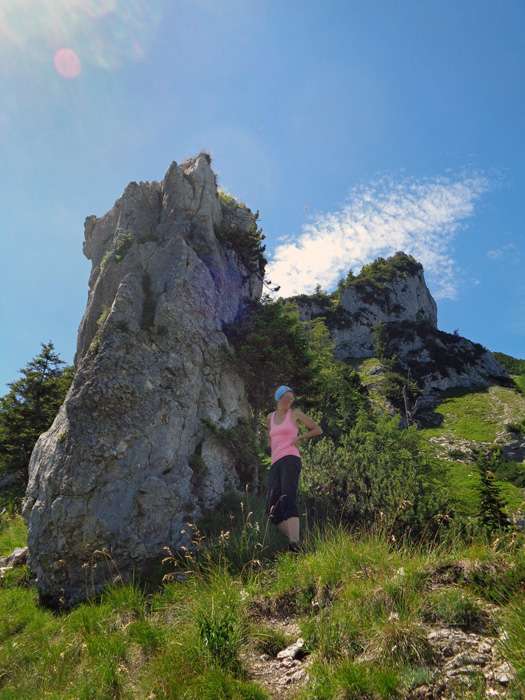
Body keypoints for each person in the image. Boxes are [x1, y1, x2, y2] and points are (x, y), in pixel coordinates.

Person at [266, 385, 323, 552]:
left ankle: (295, 546)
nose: (290, 401)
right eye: (287, 397)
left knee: (287, 499)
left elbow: (317, 429)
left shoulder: (295, 414)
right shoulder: (270, 417)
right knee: (272, 508)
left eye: (292, 398)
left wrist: (300, 437)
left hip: (291, 458)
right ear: (279, 398)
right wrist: (273, 456)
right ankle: (297, 543)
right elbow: (271, 438)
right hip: (276, 462)